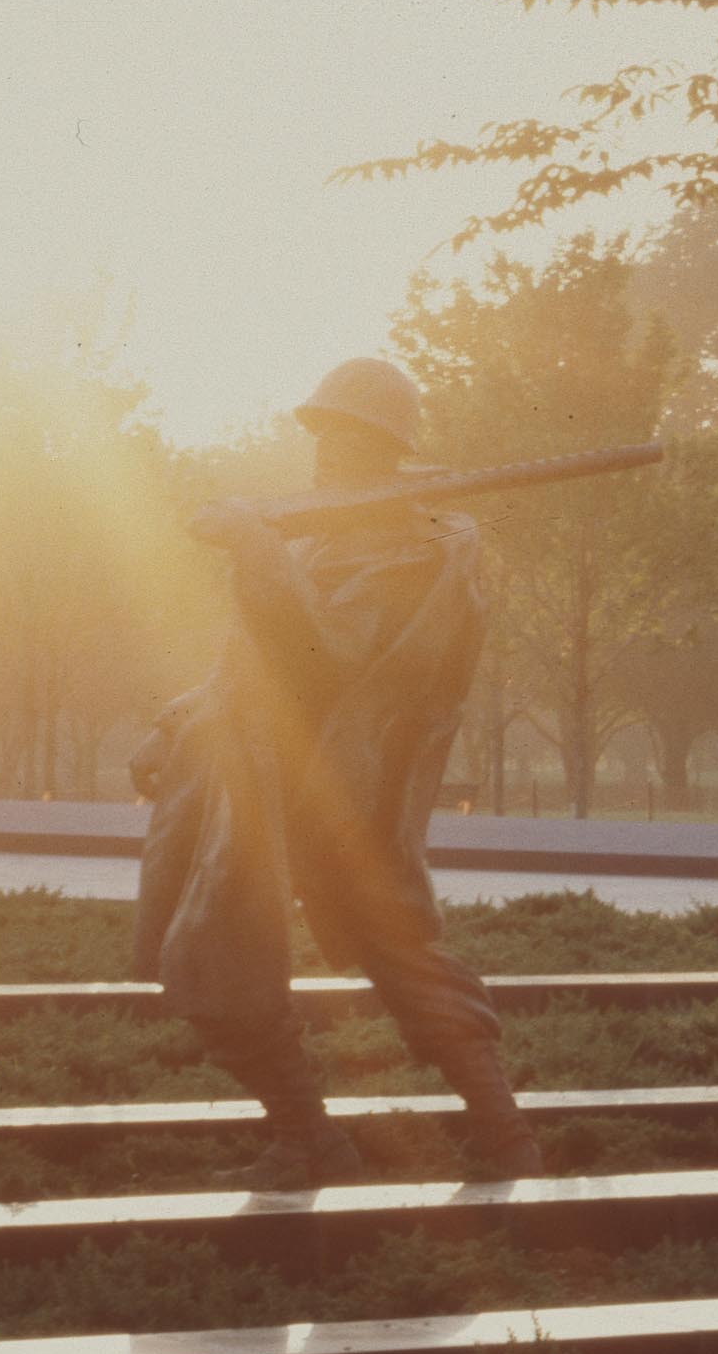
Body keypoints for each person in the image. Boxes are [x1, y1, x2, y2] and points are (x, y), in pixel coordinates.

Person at [135, 357, 533, 1182]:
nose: (323, 449)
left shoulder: (409, 553)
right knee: (223, 954)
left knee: (391, 954)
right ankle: (307, 1137)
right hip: (265, 783)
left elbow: (320, 656)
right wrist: (173, 726)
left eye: (344, 435)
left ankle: (499, 1137)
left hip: (339, 795)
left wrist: (254, 545)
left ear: (384, 448)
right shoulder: (324, 538)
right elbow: (244, 669)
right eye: (319, 431)